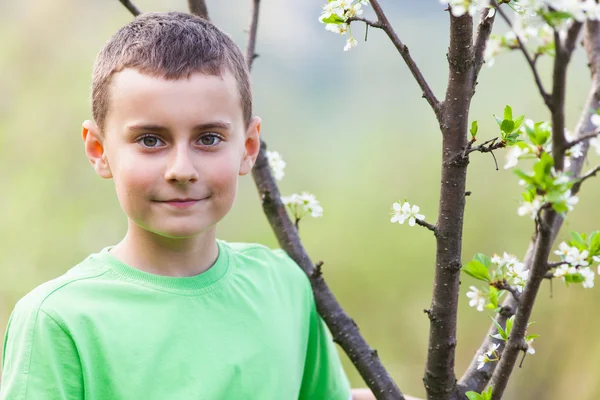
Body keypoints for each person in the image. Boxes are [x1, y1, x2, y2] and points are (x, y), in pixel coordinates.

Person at [0, 11, 376, 400]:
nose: (181, 170)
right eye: (150, 140)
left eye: (209, 138)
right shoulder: (58, 321)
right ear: (99, 150)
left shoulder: (284, 287)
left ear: (248, 147)